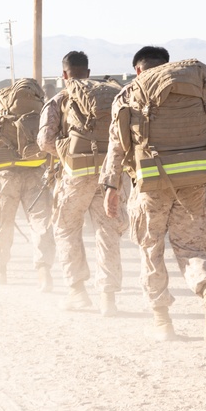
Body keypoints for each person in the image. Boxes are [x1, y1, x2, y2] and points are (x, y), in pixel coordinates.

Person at [101, 46, 206, 343]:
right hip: (195, 182)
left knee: (151, 252)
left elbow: (116, 146)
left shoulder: (129, 95)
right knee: (192, 249)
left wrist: (111, 187)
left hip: (151, 186)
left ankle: (162, 321)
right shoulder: (197, 91)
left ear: (138, 70)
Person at [38, 51, 126, 316]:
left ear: (64, 74)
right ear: (87, 73)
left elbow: (44, 142)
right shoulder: (109, 97)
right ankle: (108, 297)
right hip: (110, 175)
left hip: (75, 177)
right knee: (108, 231)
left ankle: (77, 292)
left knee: (66, 229)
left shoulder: (58, 100)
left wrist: (70, 155)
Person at [0, 79, 53, 286]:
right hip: (35, 173)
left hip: (6, 176)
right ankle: (44, 271)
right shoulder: (39, 112)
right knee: (40, 223)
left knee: (3, 223)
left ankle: (0, 269)